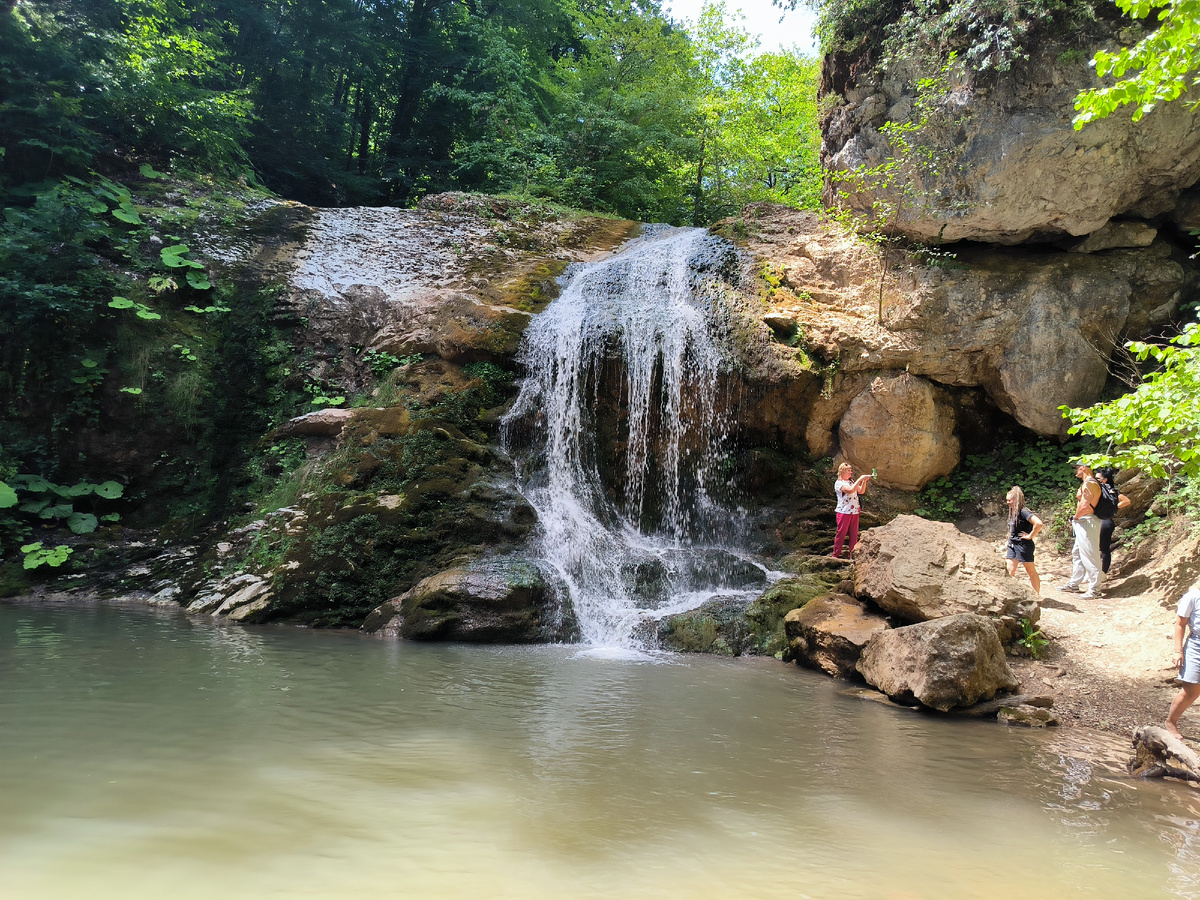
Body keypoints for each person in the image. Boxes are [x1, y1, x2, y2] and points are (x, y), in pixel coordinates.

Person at [1058, 463, 1103, 600]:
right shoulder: (1087, 483)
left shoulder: (1090, 484)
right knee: (1077, 553)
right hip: (1084, 521)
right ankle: (1074, 584)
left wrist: (1076, 518)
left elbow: (1084, 505)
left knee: (1090, 554)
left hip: (1087, 521)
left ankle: (1095, 589)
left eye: (1076, 468)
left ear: (1083, 468)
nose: (1075, 471)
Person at [1165, 579, 1200, 739]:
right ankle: (1171, 722)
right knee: (1191, 691)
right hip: (1196, 646)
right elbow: (1180, 624)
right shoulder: (1192, 596)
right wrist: (1178, 651)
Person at [1004, 486, 1043, 594]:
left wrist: (1030, 535)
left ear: (1016, 500)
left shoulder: (1024, 511)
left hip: (1023, 545)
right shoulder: (1013, 512)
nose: (1007, 503)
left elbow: (1038, 523)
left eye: (1009, 500)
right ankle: (1009, 594)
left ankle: (1037, 595)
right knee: (1009, 571)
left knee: (1030, 571)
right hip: (1012, 544)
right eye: (1007, 500)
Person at [1093, 467, 1131, 574]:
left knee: (1097, 548)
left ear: (1104, 480)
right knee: (1104, 549)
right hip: (1107, 522)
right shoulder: (1113, 490)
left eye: (1097, 478)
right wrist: (1113, 507)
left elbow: (1127, 501)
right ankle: (1103, 573)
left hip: (1099, 521)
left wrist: (1111, 507)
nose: (1095, 480)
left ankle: (1100, 573)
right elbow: (1126, 501)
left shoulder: (1098, 490)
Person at [832, 462, 873, 559]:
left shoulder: (851, 481)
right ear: (842, 472)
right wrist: (860, 479)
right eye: (849, 471)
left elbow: (861, 491)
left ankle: (852, 556)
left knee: (854, 534)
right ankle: (836, 555)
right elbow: (850, 490)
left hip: (854, 511)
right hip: (844, 511)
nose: (851, 473)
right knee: (841, 533)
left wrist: (864, 481)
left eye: (850, 470)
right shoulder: (839, 483)